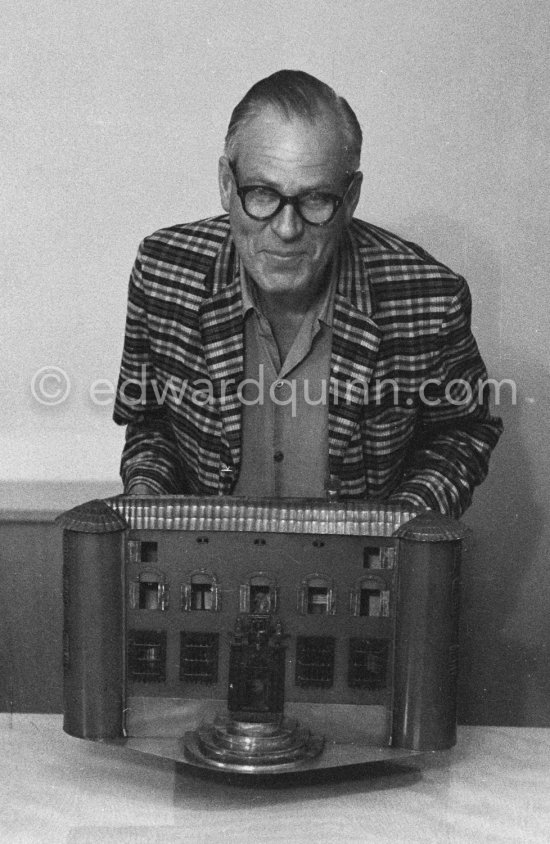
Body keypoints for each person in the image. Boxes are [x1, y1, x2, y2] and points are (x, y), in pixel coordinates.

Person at [113, 69, 502, 518]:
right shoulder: (162, 271)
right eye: (261, 194)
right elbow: (150, 423)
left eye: (315, 199)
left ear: (351, 196)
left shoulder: (432, 298)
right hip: (204, 572)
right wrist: (146, 503)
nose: (286, 228)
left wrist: (399, 527)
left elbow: (461, 433)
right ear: (226, 184)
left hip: (362, 574)